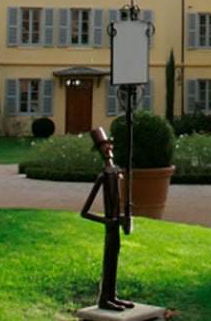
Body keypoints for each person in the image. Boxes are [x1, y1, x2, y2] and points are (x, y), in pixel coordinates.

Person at [80, 126, 133, 312]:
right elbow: (85, 211)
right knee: (108, 260)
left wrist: (123, 217)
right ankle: (104, 298)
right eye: (103, 147)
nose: (108, 150)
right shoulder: (104, 176)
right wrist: (107, 221)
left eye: (108, 146)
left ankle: (112, 296)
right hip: (111, 226)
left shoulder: (116, 173)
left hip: (115, 224)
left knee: (114, 259)